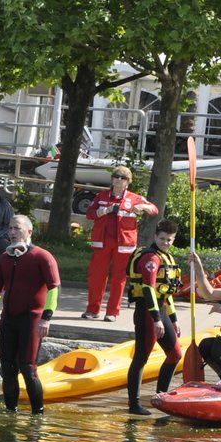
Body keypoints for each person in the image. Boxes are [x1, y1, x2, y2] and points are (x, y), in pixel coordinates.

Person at [0, 214, 59, 414]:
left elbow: (54, 288)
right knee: (8, 368)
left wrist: (46, 318)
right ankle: (10, 412)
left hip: (32, 320)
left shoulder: (42, 256)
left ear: (29, 231)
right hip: (9, 319)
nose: (12, 233)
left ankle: (37, 413)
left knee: (28, 368)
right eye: (10, 228)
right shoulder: (5, 258)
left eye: (17, 228)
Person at [82, 166, 158, 320]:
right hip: (102, 242)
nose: (118, 179)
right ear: (112, 179)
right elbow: (89, 214)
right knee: (97, 276)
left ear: (127, 182)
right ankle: (93, 310)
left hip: (124, 245)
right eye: (116, 176)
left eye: (123, 178)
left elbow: (154, 210)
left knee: (119, 278)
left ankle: (112, 312)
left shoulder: (135, 198)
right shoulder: (101, 196)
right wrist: (105, 210)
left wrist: (143, 207)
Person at [125, 218, 184, 416]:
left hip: (161, 308)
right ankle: (134, 404)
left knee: (175, 353)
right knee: (142, 357)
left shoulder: (167, 257)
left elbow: (166, 293)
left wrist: (173, 319)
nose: (165, 243)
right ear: (155, 237)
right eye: (162, 239)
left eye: (169, 240)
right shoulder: (151, 259)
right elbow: (149, 289)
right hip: (147, 312)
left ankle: (161, 397)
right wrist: (157, 319)